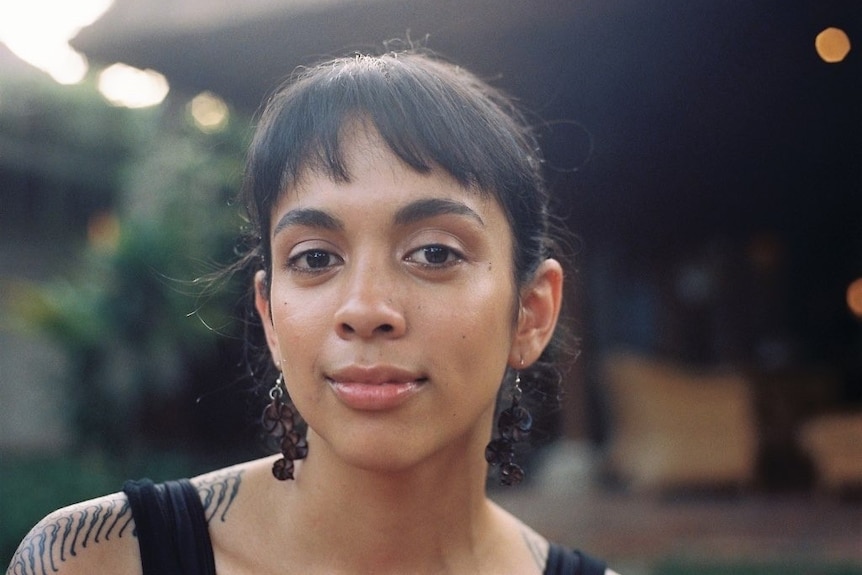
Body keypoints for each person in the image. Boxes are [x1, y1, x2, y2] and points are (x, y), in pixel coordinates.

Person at [7, 51, 617, 575]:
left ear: (531, 314)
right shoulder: (97, 561)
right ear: (270, 316)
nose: (365, 310)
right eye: (316, 256)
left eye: (435, 252)